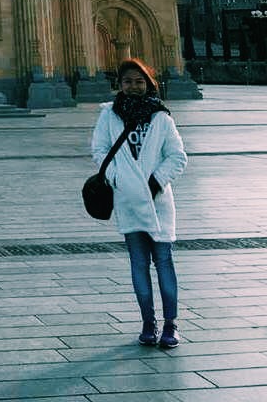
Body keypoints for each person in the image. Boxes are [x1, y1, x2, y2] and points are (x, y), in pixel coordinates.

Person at [91, 58, 188, 349]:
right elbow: (99, 149)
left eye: (139, 81)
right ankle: (148, 322)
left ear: (148, 84)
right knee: (138, 264)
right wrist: (117, 177)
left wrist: (156, 182)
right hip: (128, 200)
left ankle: (171, 323)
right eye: (128, 81)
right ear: (118, 85)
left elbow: (178, 156)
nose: (133, 86)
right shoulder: (109, 116)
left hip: (158, 202)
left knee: (164, 262)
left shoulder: (161, 117)